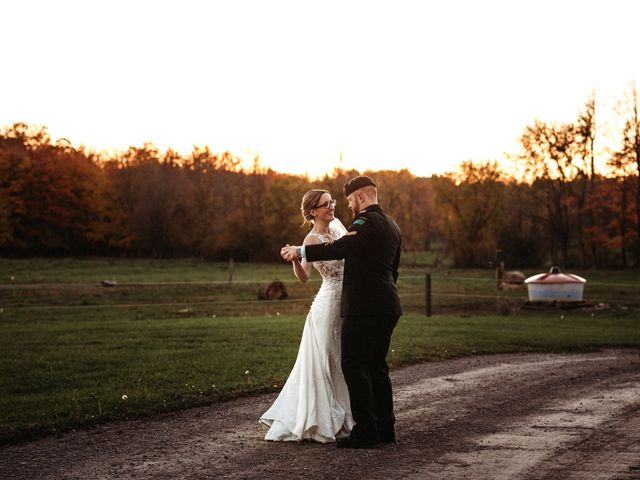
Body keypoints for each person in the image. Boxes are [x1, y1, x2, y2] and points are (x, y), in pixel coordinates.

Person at [281, 176, 402, 449]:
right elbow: (394, 268)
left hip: (362, 307)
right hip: (387, 305)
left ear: (359, 197)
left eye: (346, 200)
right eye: (328, 203)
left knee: (354, 365)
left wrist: (300, 250)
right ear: (312, 211)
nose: (343, 206)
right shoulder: (392, 225)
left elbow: (342, 247)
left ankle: (367, 431)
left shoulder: (364, 223)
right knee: (376, 367)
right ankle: (386, 429)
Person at [259, 189, 355, 443]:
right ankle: (324, 419)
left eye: (332, 202)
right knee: (328, 356)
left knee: (343, 355)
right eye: (326, 204)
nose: (331, 207)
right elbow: (304, 277)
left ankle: (347, 413)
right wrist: (294, 258)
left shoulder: (338, 226)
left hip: (347, 299)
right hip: (328, 301)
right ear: (313, 211)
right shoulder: (310, 240)